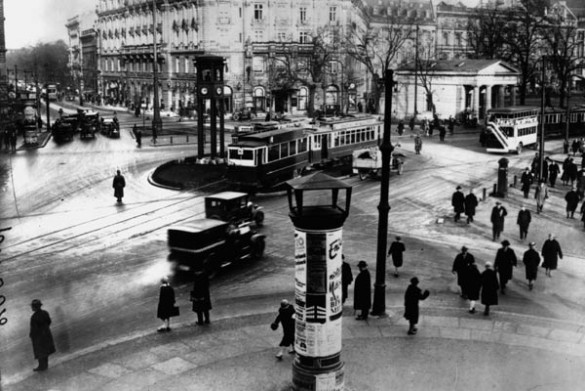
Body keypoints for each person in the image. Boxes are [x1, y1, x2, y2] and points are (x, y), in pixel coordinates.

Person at [29, 299, 56, 372]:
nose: (31, 307)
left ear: (35, 307)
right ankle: (45, 365)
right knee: (46, 350)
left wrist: (32, 335)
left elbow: (34, 329)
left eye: (32, 306)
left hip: (39, 337)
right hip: (46, 334)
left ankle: (41, 366)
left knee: (40, 351)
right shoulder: (45, 312)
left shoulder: (34, 317)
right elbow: (49, 322)